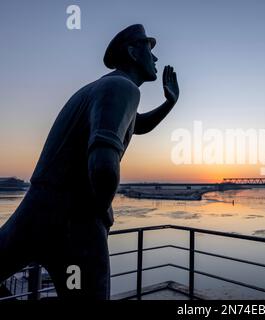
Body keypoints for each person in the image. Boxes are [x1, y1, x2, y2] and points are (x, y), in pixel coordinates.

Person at [0, 24, 179, 299]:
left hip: (38, 209)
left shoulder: (106, 87)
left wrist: (169, 103)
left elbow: (137, 123)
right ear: (132, 52)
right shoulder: (122, 88)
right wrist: (97, 217)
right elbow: (104, 165)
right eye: (149, 50)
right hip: (74, 217)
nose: (155, 59)